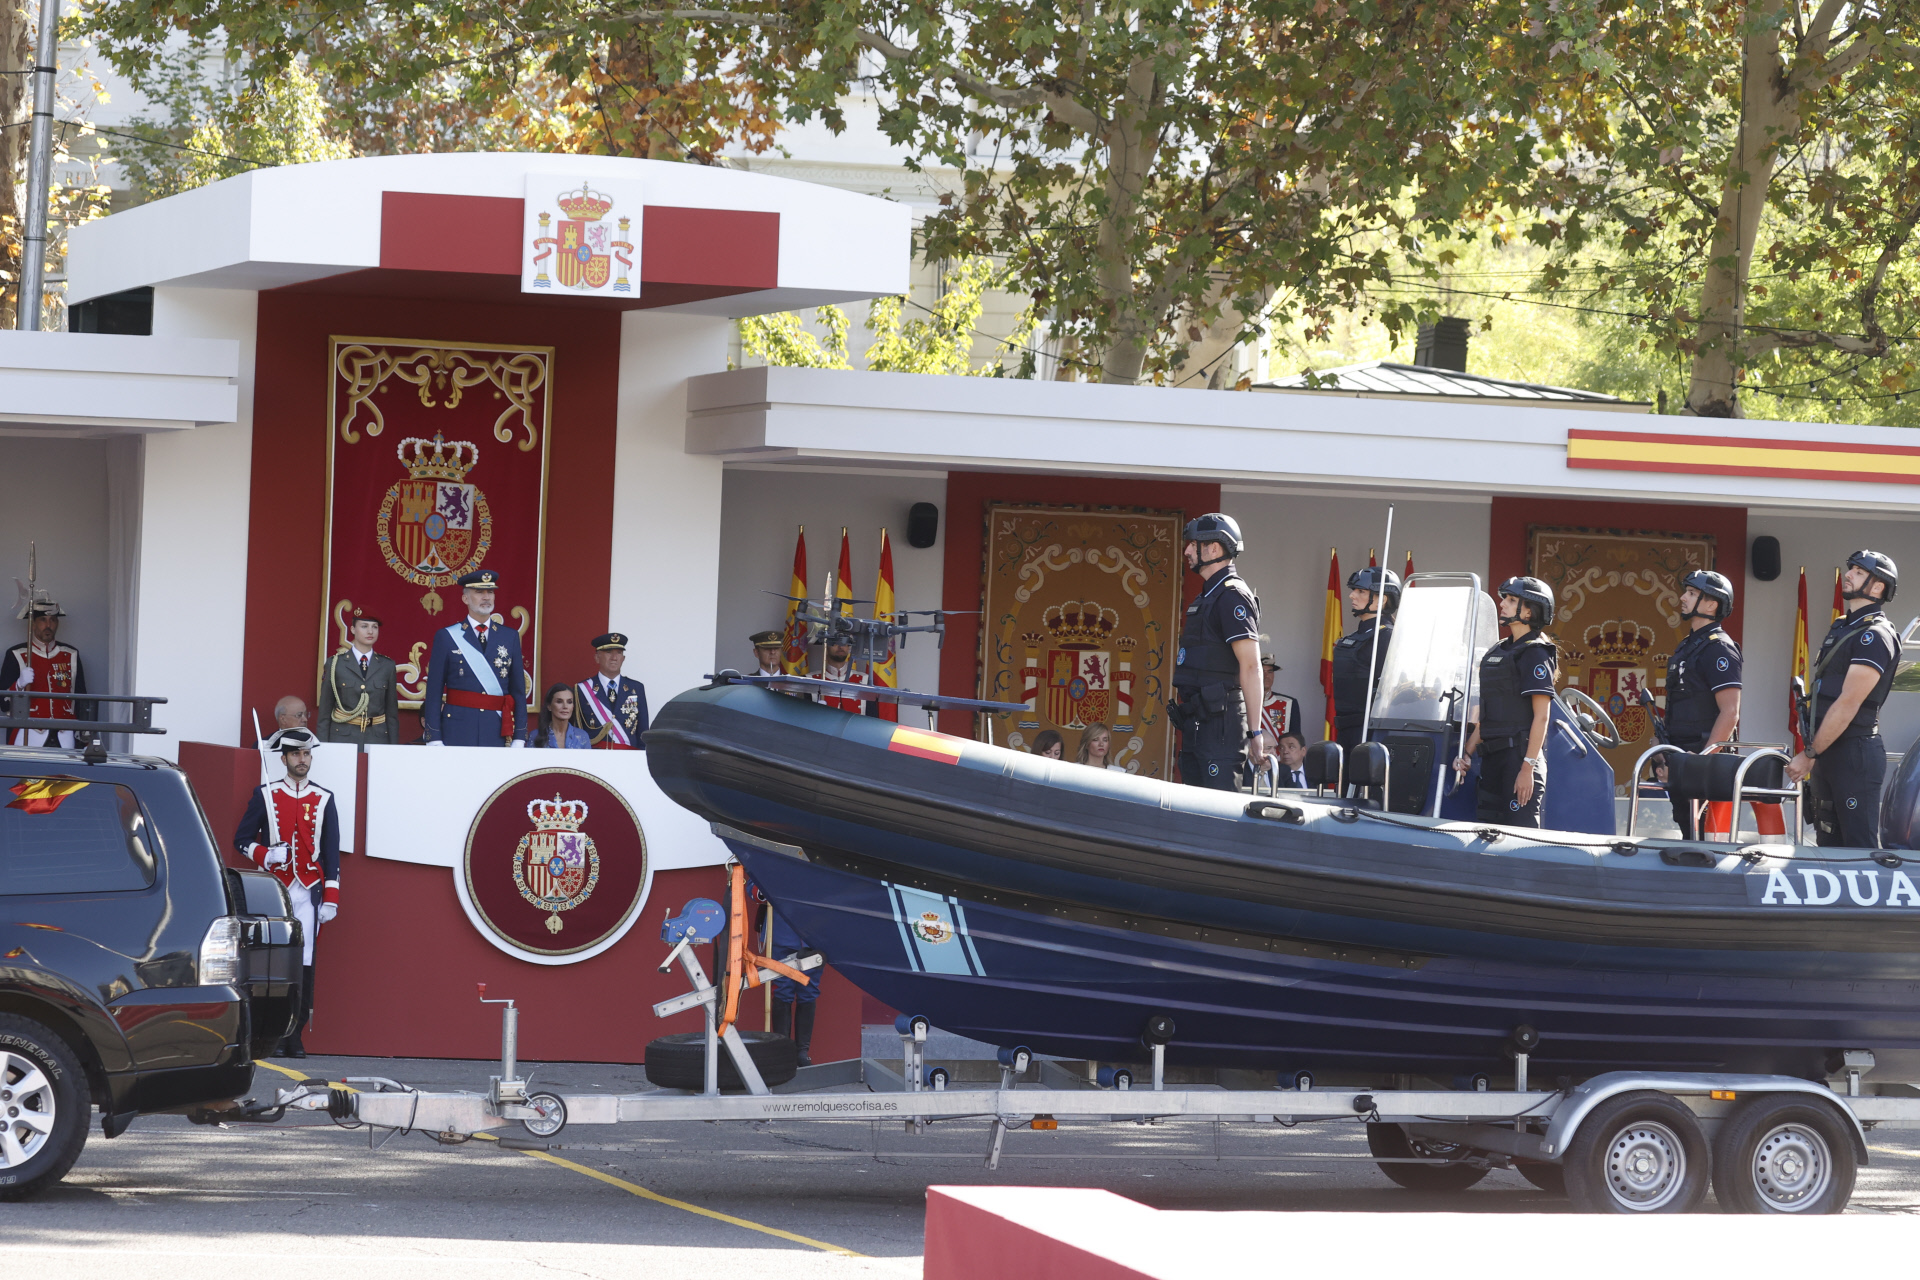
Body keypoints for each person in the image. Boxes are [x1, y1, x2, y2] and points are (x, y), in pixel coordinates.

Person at [233, 726, 340, 1058]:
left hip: (308, 892)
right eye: (296, 754)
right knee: (273, 962)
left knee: (304, 964)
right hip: (275, 891)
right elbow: (241, 839)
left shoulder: (324, 799)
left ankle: (295, 1036)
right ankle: (272, 1035)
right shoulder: (265, 794)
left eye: (307, 754)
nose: (302, 759)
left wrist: (332, 897)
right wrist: (266, 854)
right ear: (284, 758)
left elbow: (332, 852)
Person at [1787, 550, 1901, 847]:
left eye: (1859, 572)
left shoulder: (1874, 634)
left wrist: (1809, 755)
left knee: (1858, 849)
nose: (1848, 574)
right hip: (1828, 751)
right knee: (1828, 843)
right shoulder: (1842, 627)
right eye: (1851, 569)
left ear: (1878, 588)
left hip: (1854, 753)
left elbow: (1849, 703)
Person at [1170, 513, 1268, 789]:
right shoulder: (1207, 596)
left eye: (1193, 544)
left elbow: (1251, 666)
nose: (1187, 550)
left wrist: (1255, 731)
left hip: (1221, 726)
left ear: (1214, 548)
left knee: (1218, 813)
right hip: (1197, 723)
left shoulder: (1231, 595)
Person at [1454, 577, 1558, 827]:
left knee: (1518, 840)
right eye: (1504, 599)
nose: (1503, 604)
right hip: (1492, 760)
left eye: (1511, 600)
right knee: (1487, 834)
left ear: (1529, 611)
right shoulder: (1497, 651)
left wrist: (1527, 769)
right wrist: (1466, 753)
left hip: (1519, 759)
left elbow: (1542, 717)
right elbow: (1488, 715)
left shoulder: (1535, 652)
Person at [1661, 570, 1742, 838]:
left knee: (1708, 839)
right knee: (1687, 831)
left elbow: (1730, 712)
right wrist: (1661, 750)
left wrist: (1704, 761)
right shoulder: (1686, 646)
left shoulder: (1718, 648)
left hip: (1703, 759)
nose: (1683, 597)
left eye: (1692, 593)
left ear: (1712, 604)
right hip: (1680, 755)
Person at [422, 569, 527, 746]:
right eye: (479, 592)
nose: (486, 597)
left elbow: (518, 691)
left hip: (496, 729)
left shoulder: (509, 637)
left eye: (490, 592)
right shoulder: (447, 636)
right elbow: (434, 692)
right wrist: (434, 738)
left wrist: (519, 737)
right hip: (457, 729)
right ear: (465, 598)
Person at [3, 585, 90, 748]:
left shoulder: (71, 654)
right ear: (32, 624)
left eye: (53, 620)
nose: (48, 625)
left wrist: (85, 733)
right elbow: (3, 704)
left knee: (65, 774)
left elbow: (82, 700)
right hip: (28, 731)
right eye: (43, 620)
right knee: (27, 773)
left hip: (66, 731)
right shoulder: (16, 654)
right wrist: (19, 685)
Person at [1331, 567, 1399, 755]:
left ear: (1382, 599)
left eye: (1361, 591)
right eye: (1354, 590)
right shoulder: (1354, 637)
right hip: (1347, 731)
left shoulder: (1387, 637)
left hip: (1374, 734)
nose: (1352, 595)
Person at [316, 608, 400, 746]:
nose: (370, 631)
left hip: (377, 738)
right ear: (353, 629)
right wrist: (324, 747)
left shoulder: (387, 666)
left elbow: (391, 715)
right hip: (342, 737)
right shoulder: (336, 663)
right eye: (364, 626)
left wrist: (393, 748)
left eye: (375, 627)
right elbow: (324, 714)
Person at [575, 632, 650, 749]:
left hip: (628, 756)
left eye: (619, 653)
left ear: (623, 658)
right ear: (597, 657)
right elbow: (577, 729)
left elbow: (643, 730)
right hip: (594, 756)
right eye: (608, 652)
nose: (614, 658)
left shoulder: (636, 688)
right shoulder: (582, 689)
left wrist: (641, 757)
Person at [530, 683, 593, 749]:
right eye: (559, 701)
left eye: (569, 702)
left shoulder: (582, 736)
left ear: (573, 706)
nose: (565, 706)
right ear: (549, 706)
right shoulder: (535, 735)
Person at [818, 635, 869, 714]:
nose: (840, 646)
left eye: (845, 643)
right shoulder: (810, 679)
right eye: (835, 643)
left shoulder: (865, 680)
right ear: (826, 647)